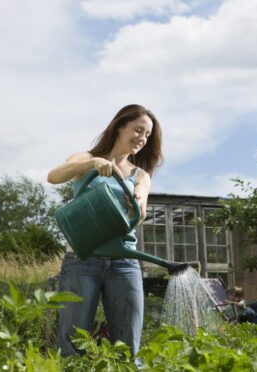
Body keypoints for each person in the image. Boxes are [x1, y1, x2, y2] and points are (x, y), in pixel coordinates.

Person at [47, 104, 163, 358]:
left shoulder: (140, 175)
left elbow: (140, 208)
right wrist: (92, 164)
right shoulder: (84, 158)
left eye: (147, 135)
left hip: (124, 262)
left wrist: (138, 206)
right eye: (138, 130)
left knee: (127, 347)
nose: (142, 139)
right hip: (82, 259)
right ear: (120, 126)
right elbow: (53, 176)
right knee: (71, 345)